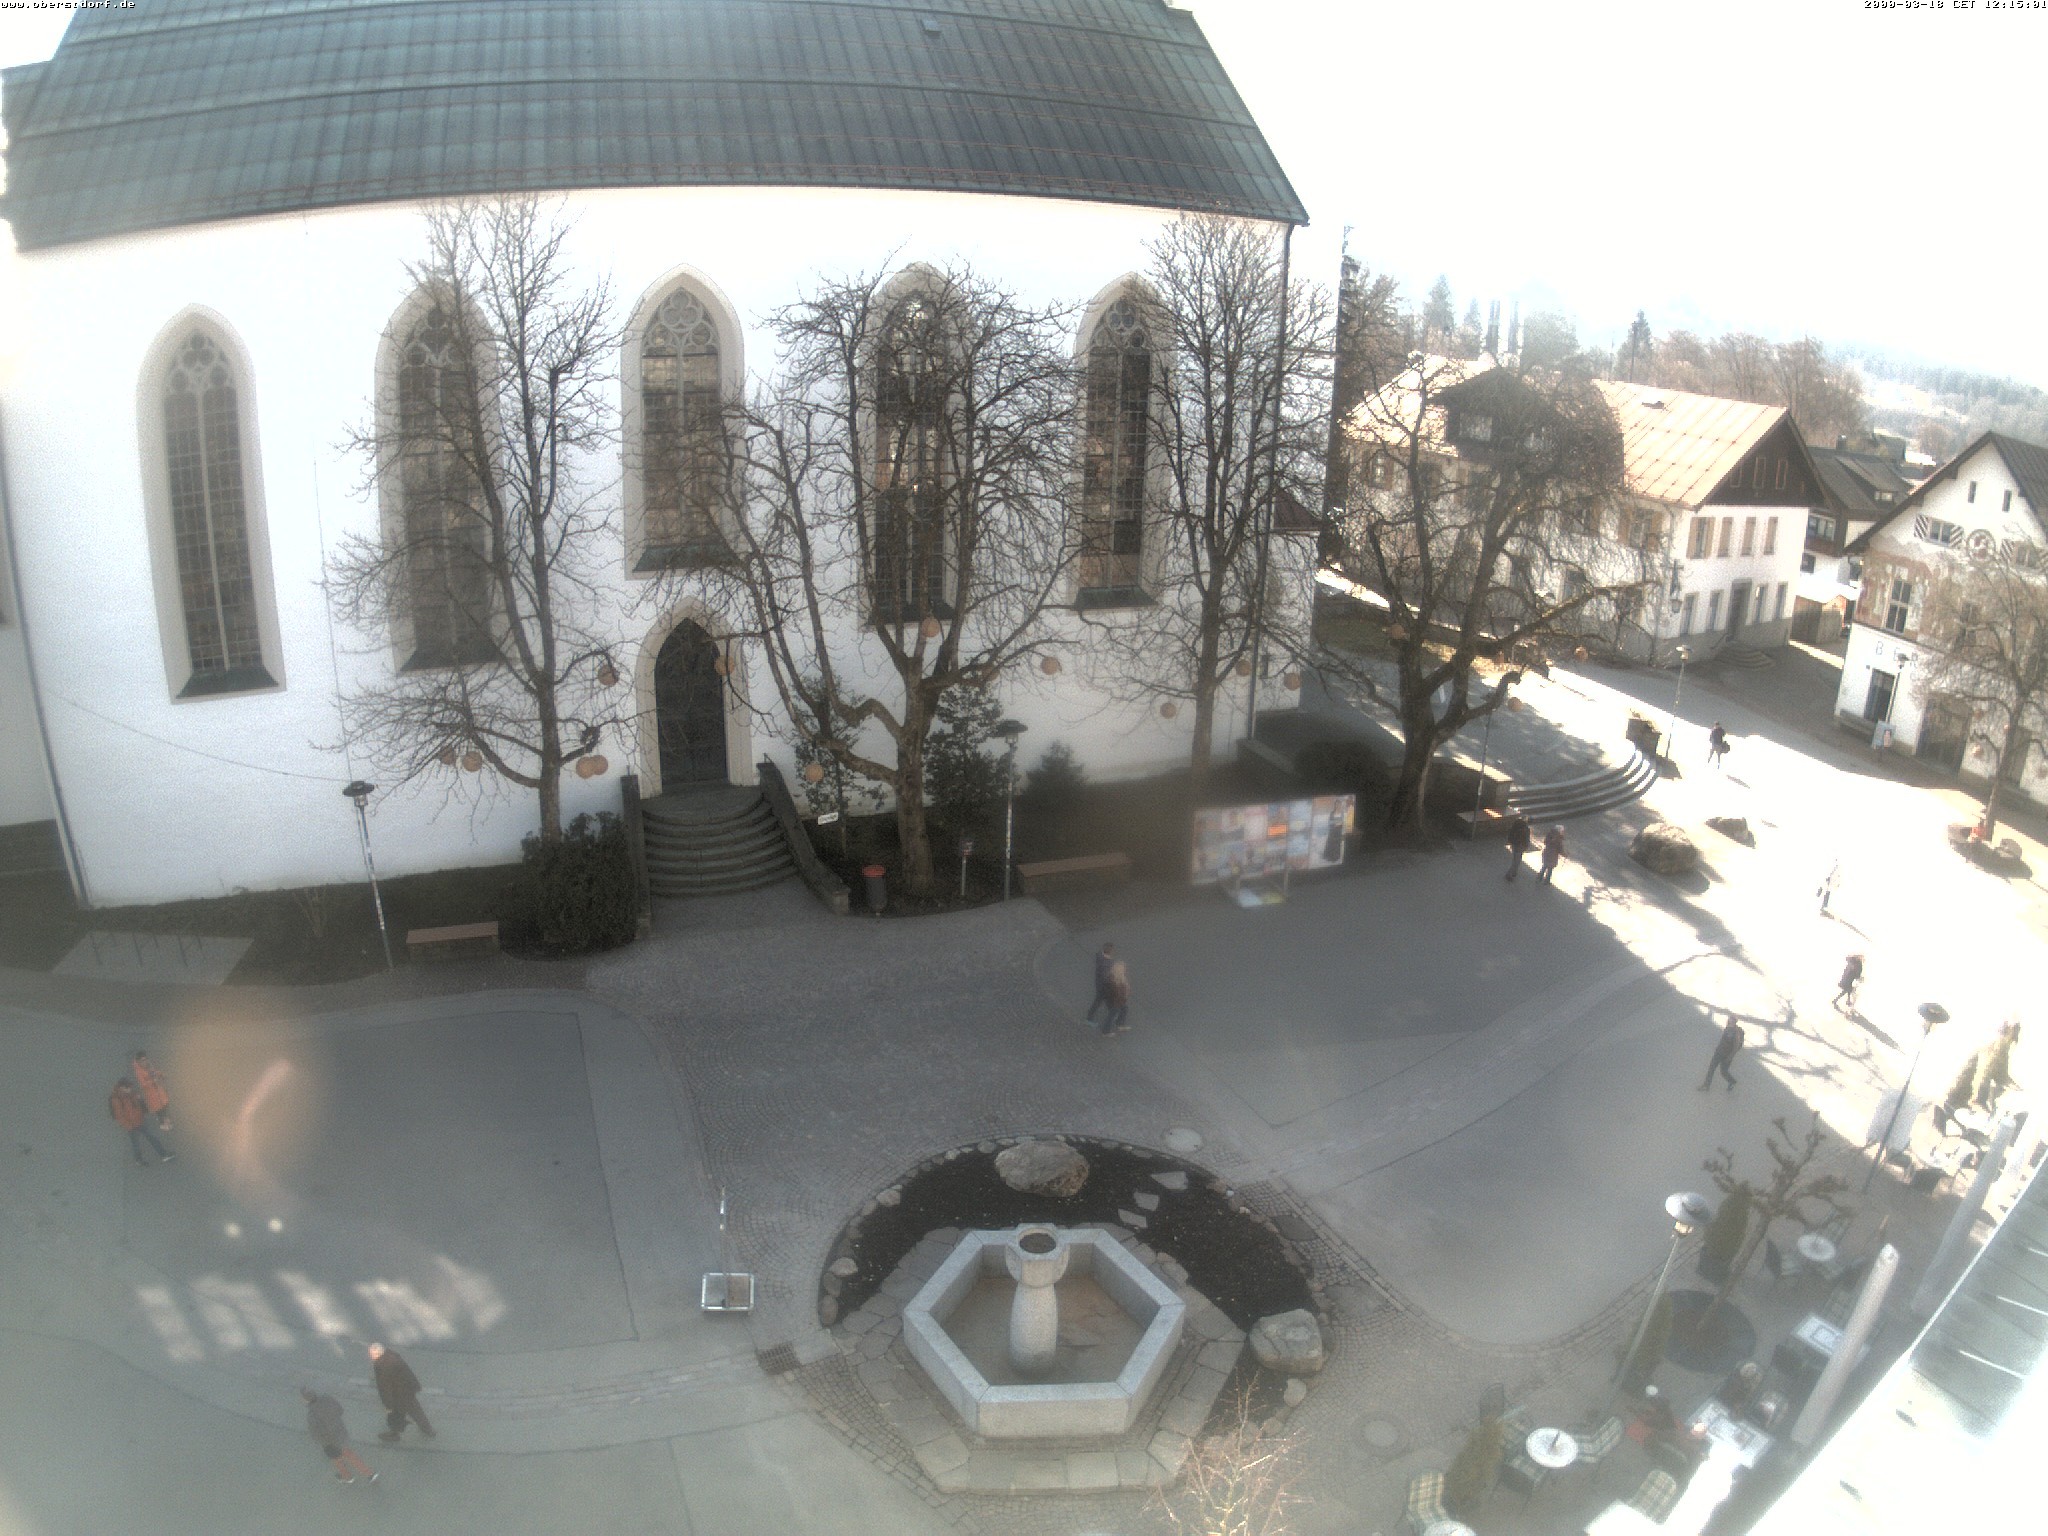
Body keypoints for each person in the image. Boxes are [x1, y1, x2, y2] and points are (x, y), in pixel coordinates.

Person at [302, 1388, 376, 1484]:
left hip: (329, 1441)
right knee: (349, 1454)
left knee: (336, 1459)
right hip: (340, 1432)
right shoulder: (327, 1398)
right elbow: (340, 1410)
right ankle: (369, 1474)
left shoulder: (312, 1415)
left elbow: (316, 1433)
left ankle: (347, 1477)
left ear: (306, 1400)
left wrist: (323, 1442)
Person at [370, 1343, 436, 1442]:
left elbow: (385, 1386)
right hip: (406, 1389)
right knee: (414, 1410)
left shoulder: (383, 1365)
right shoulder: (391, 1356)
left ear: (378, 1354)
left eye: (372, 1354)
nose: (370, 1356)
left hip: (399, 1393)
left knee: (396, 1413)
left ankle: (394, 1434)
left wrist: (388, 1404)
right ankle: (428, 1430)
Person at [110, 1077, 172, 1165]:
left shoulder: (132, 1093)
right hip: (131, 1125)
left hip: (140, 1120)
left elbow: (139, 1104)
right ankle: (139, 1160)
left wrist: (143, 1107)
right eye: (128, 1088)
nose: (130, 1089)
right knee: (136, 1143)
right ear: (121, 1087)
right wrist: (129, 1126)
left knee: (151, 1137)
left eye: (130, 1087)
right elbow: (119, 1116)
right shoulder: (116, 1099)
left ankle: (163, 1154)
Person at [1699, 1015, 1744, 1091]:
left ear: (1734, 1022)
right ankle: (1706, 1085)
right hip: (1719, 1052)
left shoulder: (1736, 1033)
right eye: (1728, 1020)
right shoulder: (1727, 1028)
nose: (1728, 1021)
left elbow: (1735, 1047)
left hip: (1726, 1055)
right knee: (1711, 1068)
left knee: (1723, 1072)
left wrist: (1729, 1057)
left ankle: (1732, 1081)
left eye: (1730, 1020)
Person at [131, 1050, 172, 1132]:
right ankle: (163, 1125)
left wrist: (160, 1074)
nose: (145, 1062)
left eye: (145, 1059)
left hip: (160, 1093)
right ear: (138, 1061)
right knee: (160, 1111)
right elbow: (143, 1084)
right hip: (153, 1096)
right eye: (142, 1060)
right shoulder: (138, 1072)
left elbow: (154, 1072)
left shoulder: (148, 1066)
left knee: (165, 1108)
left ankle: (167, 1123)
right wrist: (153, 1081)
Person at [1085, 943, 1118, 1028]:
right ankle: (1088, 1019)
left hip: (1099, 983)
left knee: (1106, 1000)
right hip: (1104, 986)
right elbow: (1106, 976)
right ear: (1111, 951)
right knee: (1099, 1001)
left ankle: (1112, 1013)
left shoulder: (1100, 956)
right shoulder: (1107, 963)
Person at [1102, 957, 1131, 1034]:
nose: (1125, 969)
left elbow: (1125, 987)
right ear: (1119, 970)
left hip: (1119, 1000)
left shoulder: (1121, 977)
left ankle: (1120, 1024)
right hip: (1115, 1001)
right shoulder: (1112, 979)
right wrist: (1124, 995)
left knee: (1125, 1009)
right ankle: (1106, 1032)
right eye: (1123, 968)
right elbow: (1115, 993)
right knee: (1112, 1015)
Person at [1505, 814, 1533, 881]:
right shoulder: (1525, 829)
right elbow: (1526, 839)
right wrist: (1526, 846)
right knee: (1516, 861)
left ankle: (1514, 872)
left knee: (1516, 859)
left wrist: (1510, 841)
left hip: (1514, 844)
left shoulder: (1516, 825)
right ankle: (1510, 874)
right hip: (1520, 845)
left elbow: (1510, 833)